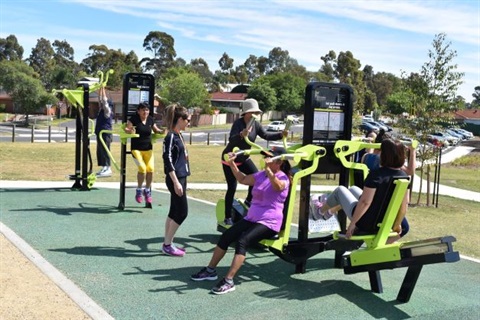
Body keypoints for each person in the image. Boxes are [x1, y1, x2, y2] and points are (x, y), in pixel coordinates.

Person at [191, 147, 291, 294]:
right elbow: (242, 179)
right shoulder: (261, 175)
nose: (266, 160)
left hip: (269, 222)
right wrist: (232, 164)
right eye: (266, 158)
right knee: (226, 236)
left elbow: (278, 187)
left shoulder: (283, 178)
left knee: (242, 241)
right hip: (252, 218)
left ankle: (229, 280)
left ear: (280, 162)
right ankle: (210, 270)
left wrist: (269, 171)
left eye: (270, 158)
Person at [313, 139, 409, 241]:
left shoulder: (376, 175)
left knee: (340, 190)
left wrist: (353, 224)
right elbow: (404, 205)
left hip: (366, 222)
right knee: (353, 189)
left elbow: (365, 202)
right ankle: (330, 212)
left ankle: (320, 211)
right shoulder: (404, 177)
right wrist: (397, 224)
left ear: (384, 155)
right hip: (383, 218)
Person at [221, 98, 288, 225]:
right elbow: (231, 140)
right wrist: (242, 134)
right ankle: (227, 216)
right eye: (253, 112)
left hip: (245, 157)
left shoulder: (256, 124)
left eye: (256, 113)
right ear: (246, 113)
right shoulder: (238, 123)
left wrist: (280, 135)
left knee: (256, 177)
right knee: (232, 187)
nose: (255, 115)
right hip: (231, 158)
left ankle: (248, 201)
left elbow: (266, 135)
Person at [360, 129, 416, 237]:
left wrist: (370, 144)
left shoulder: (368, 158)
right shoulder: (391, 165)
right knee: (403, 228)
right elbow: (410, 171)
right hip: (382, 205)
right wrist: (412, 151)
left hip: (372, 203)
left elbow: (367, 156)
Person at [161, 103, 191, 257]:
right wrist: (176, 182)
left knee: (173, 212)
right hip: (175, 179)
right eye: (187, 120)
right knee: (182, 213)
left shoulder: (179, 135)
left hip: (181, 177)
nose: (189, 122)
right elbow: (168, 159)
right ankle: (167, 245)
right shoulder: (171, 136)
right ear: (180, 119)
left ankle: (168, 242)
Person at [124, 102, 163, 205]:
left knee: (150, 170)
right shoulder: (134, 119)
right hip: (136, 149)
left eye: (147, 110)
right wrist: (129, 130)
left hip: (148, 149)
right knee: (142, 168)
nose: (145, 112)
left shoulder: (150, 119)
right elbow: (127, 128)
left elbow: (156, 129)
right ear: (138, 111)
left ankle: (147, 191)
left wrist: (161, 131)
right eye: (143, 110)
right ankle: (138, 190)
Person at [95, 86, 114, 177]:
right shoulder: (101, 110)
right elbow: (100, 100)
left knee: (106, 150)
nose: (101, 105)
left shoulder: (107, 111)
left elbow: (104, 101)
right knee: (100, 150)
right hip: (100, 133)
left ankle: (108, 168)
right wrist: (101, 89)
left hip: (105, 133)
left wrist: (103, 89)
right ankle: (104, 167)